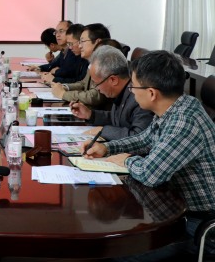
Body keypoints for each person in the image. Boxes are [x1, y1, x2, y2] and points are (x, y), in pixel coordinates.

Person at [83, 50, 215, 258]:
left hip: (198, 225)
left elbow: (150, 174)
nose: (132, 92)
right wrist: (108, 148)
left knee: (115, 254)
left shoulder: (183, 123)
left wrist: (127, 160)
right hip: (176, 207)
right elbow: (145, 139)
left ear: (152, 93)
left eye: (134, 87)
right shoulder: (176, 106)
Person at [70, 45, 153, 141]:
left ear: (113, 80)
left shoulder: (139, 97)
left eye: (97, 84)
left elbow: (139, 136)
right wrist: (90, 114)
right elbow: (118, 119)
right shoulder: (122, 90)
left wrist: (103, 131)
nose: (97, 89)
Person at [51, 23, 111, 108]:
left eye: (82, 42)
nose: (79, 46)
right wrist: (65, 87)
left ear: (98, 42)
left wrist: (63, 94)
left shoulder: (106, 62)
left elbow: (95, 96)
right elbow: (83, 83)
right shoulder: (93, 60)